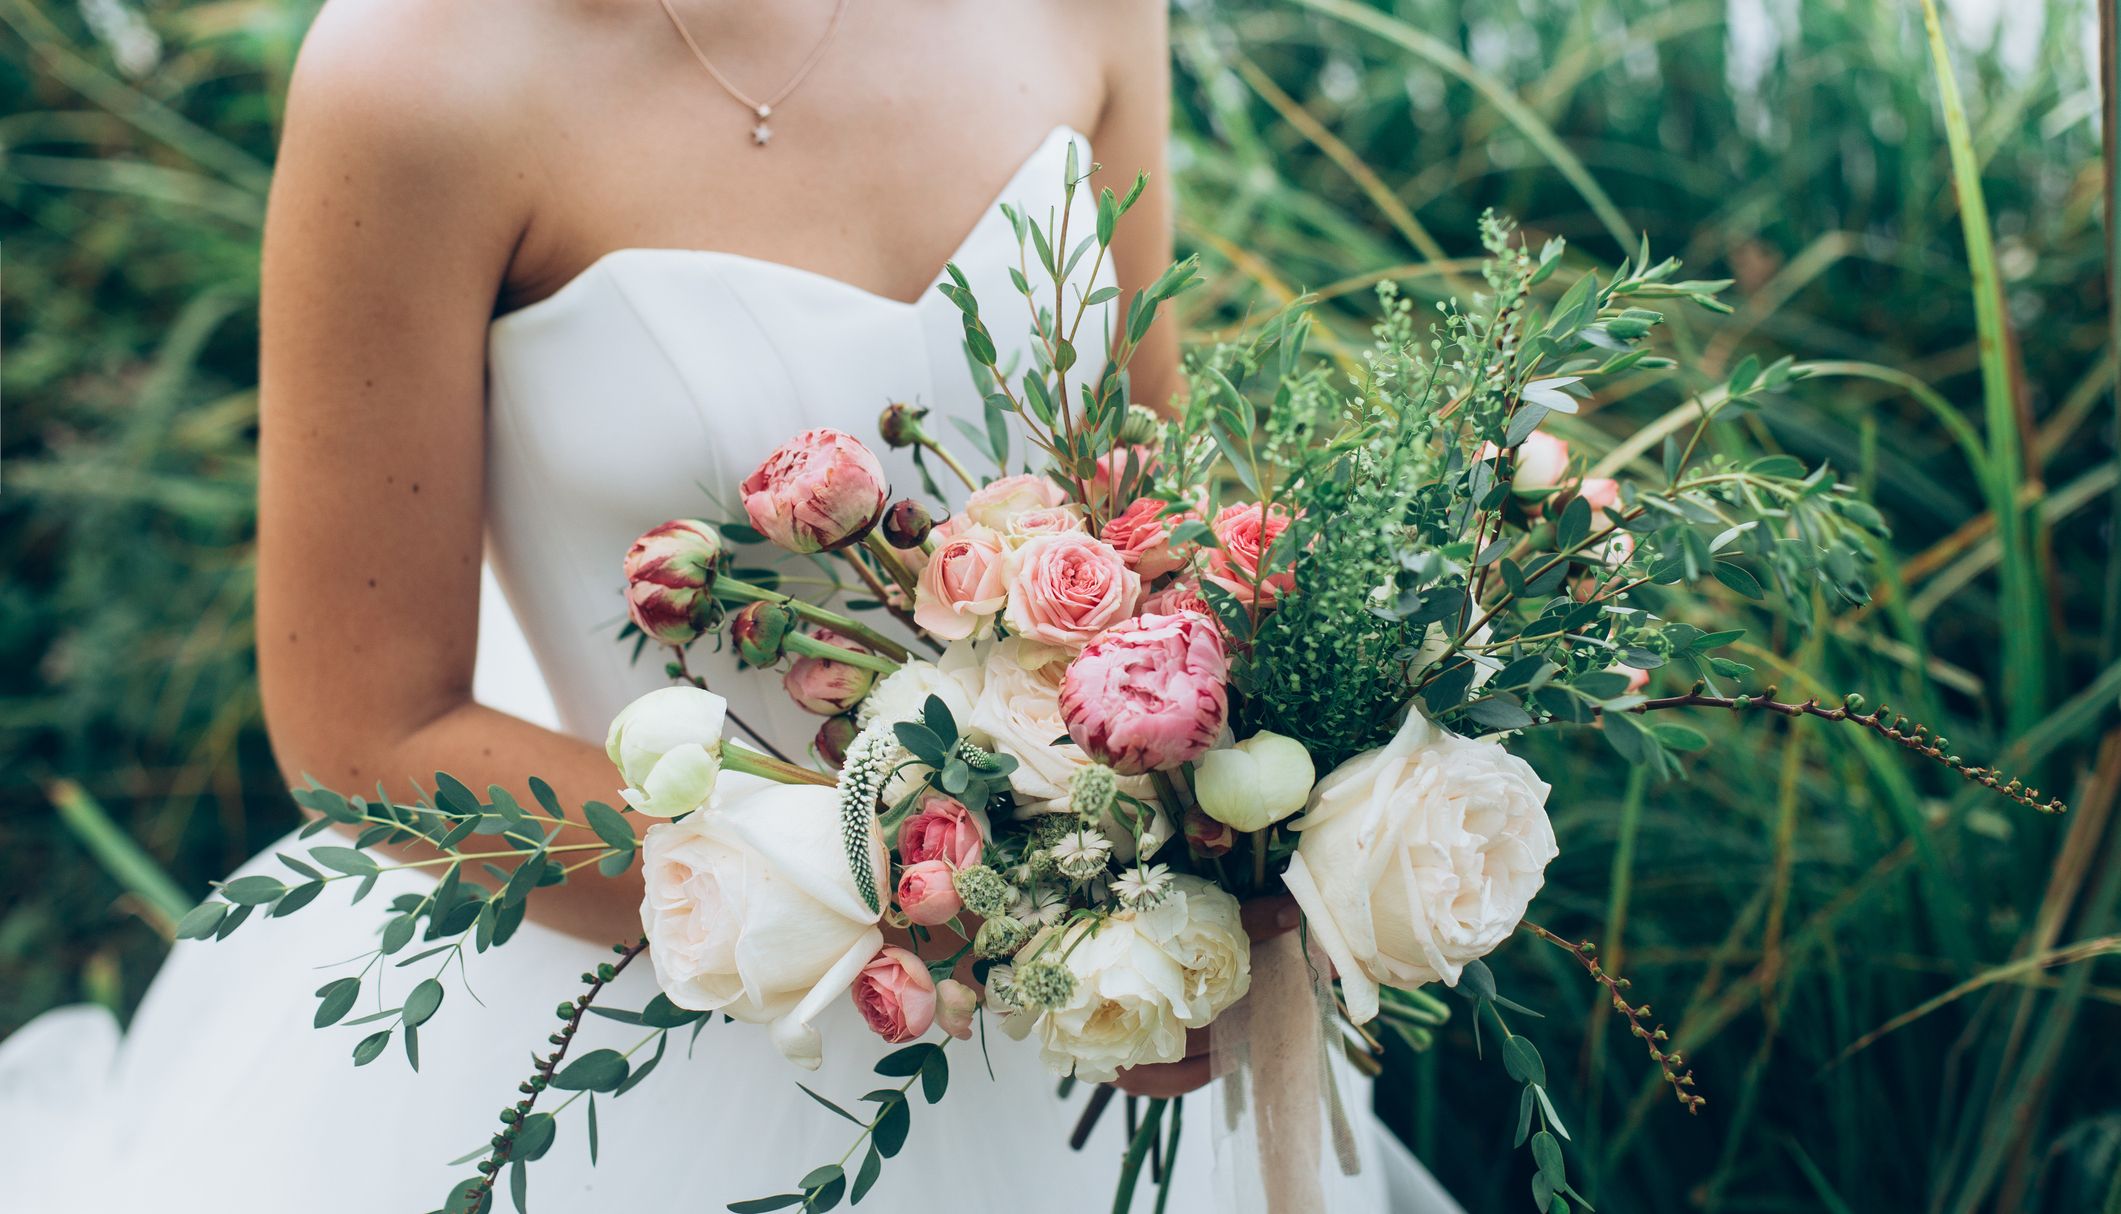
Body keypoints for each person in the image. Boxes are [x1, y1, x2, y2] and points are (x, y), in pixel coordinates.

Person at [0, 3, 1461, 1209]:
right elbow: (365, 726)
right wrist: (933, 900)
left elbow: (1146, 510)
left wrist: (1225, 845)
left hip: (1092, 1011)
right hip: (651, 1016)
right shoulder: (414, 79)